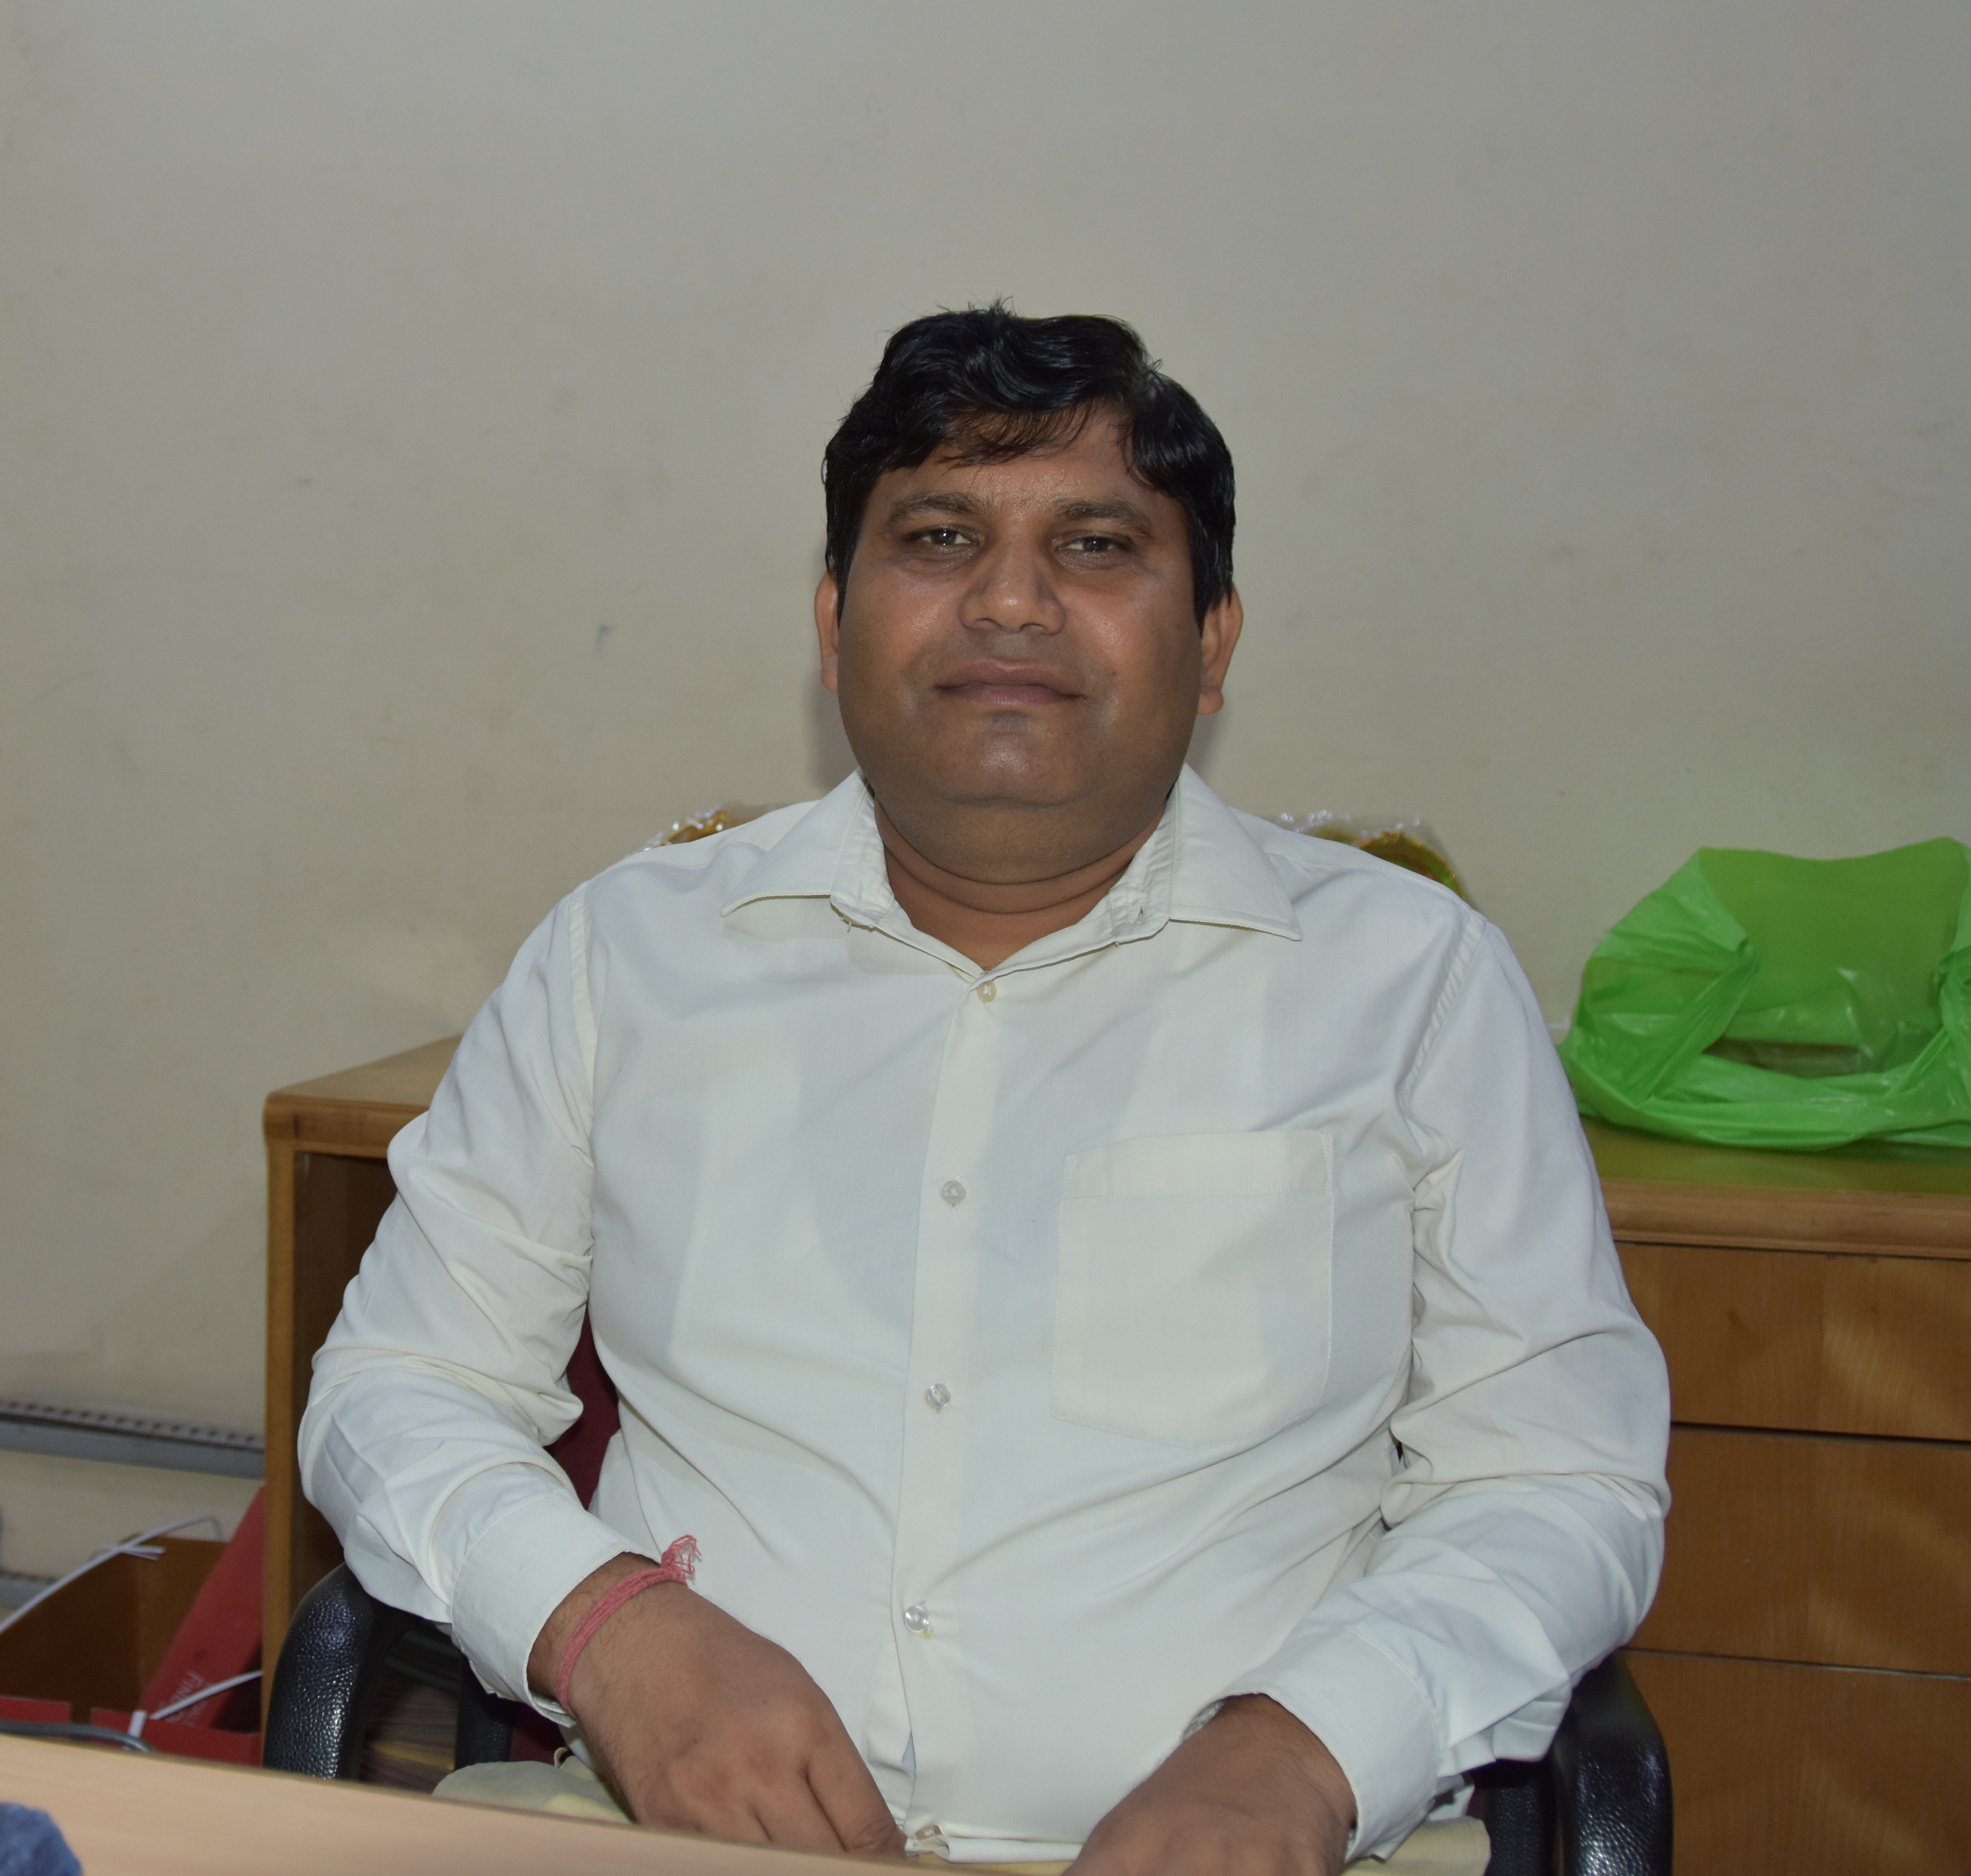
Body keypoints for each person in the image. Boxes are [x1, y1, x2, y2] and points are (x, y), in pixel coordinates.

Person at [301, 306, 1666, 1871]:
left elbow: (1559, 1476)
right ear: (834, 626)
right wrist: (610, 1631)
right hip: (682, 1839)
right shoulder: (627, 955)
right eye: (940, 537)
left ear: (1214, 642)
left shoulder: (1413, 983)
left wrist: (1308, 1748)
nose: (1012, 601)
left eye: (1097, 547)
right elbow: (400, 1387)